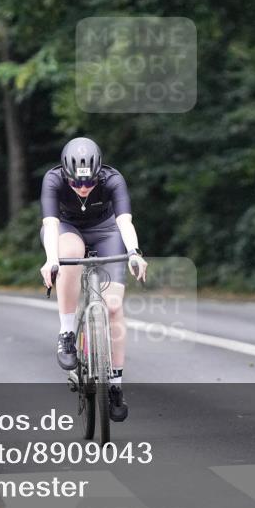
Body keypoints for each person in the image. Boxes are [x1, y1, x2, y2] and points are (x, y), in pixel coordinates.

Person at [39, 137, 147, 422]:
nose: (83, 189)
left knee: (113, 307)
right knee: (70, 254)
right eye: (76, 184)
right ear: (65, 174)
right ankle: (66, 334)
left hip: (106, 230)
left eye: (89, 183)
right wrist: (51, 259)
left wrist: (135, 252)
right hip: (66, 229)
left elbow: (124, 222)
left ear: (99, 173)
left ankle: (115, 385)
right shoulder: (53, 179)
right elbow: (50, 224)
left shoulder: (113, 179)